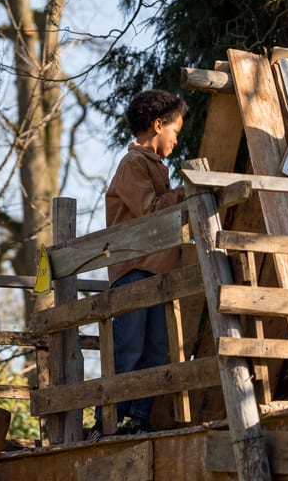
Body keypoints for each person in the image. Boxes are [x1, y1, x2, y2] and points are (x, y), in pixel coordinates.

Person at [92, 88, 189, 438]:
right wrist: (187, 193)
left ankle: (139, 418)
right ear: (158, 125)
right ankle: (107, 420)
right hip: (133, 270)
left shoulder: (155, 167)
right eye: (175, 132)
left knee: (155, 349)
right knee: (129, 346)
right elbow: (150, 210)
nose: (177, 140)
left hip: (158, 270)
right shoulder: (133, 164)